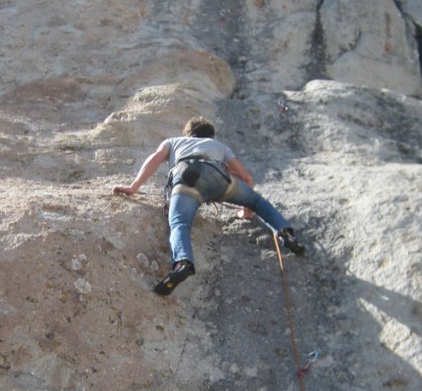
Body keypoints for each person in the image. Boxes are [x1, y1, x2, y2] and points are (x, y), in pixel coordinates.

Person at [112, 117, 305, 294]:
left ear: (188, 134)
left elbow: (154, 159)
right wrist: (247, 211)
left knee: (180, 223)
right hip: (219, 179)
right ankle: (284, 232)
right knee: (257, 201)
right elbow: (246, 177)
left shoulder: (173, 141)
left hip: (187, 179)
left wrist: (133, 187)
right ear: (211, 135)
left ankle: (182, 264)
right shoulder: (219, 145)